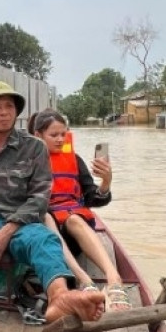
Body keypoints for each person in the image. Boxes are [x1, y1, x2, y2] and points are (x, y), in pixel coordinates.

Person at [0, 81, 106, 324]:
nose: (4, 112)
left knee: (45, 239)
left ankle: (60, 298)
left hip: (21, 226)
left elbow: (40, 198)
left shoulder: (34, 147)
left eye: (9, 106)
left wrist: (7, 231)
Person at [27, 108, 130, 312]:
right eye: (54, 135)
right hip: (47, 236)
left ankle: (114, 279)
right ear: (38, 136)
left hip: (74, 235)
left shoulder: (74, 159)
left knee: (74, 219)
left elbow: (93, 198)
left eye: (63, 134)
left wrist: (106, 182)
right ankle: (84, 280)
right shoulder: (25, 162)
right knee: (46, 216)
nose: (60, 140)